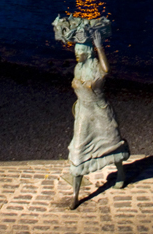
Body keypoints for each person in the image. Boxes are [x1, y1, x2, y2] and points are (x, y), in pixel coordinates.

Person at [52, 15, 129, 210]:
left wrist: (100, 47)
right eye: (76, 51)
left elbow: (106, 70)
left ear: (88, 51)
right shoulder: (78, 68)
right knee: (78, 151)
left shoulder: (95, 66)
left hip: (100, 112)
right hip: (84, 115)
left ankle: (121, 174)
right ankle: (76, 195)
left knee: (111, 143)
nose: (77, 54)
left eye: (80, 51)